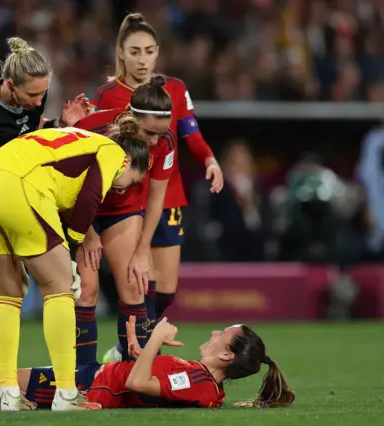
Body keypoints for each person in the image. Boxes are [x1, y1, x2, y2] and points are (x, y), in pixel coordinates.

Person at [0, 121, 150, 411]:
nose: (125, 190)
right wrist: (71, 252)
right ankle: (66, 394)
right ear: (127, 161)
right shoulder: (113, 151)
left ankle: (9, 394)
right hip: (16, 186)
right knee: (60, 288)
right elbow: (89, 198)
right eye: (133, 181)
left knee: (6, 294)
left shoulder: (76, 141)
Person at [0, 36, 90, 377]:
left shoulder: (34, 103)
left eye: (44, 93)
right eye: (32, 94)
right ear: (10, 85)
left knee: (15, 286)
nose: (39, 100)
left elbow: (34, 138)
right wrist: (6, 163)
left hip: (16, 200)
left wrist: (63, 126)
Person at [91, 14, 224, 362]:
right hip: (129, 198)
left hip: (167, 195)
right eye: (134, 51)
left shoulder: (175, 89)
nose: (142, 59)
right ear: (121, 53)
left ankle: (133, 346)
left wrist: (209, 159)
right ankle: (133, 352)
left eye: (149, 51)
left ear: (157, 53)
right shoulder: (107, 94)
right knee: (138, 278)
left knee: (165, 288)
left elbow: (190, 134)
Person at [0, 316, 295, 410]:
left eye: (221, 336)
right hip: (91, 381)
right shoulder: (200, 380)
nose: (213, 334)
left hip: (84, 390)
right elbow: (144, 374)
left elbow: (137, 381)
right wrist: (142, 345)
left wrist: (155, 339)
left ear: (227, 356)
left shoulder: (197, 383)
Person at [73, 76, 175, 362]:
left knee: (133, 285)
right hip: (81, 211)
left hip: (124, 212)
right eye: (149, 132)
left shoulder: (165, 141)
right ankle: (82, 376)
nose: (155, 140)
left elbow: (156, 200)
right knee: (87, 291)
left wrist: (143, 252)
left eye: (161, 133)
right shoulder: (92, 129)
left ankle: (133, 371)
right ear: (132, 117)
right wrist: (89, 234)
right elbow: (70, 190)